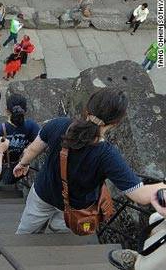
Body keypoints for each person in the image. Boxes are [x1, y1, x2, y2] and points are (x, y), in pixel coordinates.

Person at [13, 88, 166, 234]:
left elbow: (33, 149)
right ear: (115, 123)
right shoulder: (108, 156)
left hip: (44, 192)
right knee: (62, 229)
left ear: (87, 109)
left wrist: (23, 164)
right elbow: (140, 195)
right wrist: (162, 185)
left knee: (27, 230)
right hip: (77, 206)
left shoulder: (58, 124)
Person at [0, 94, 40, 185]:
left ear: (6, 111)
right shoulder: (32, 126)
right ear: (25, 111)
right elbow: (39, 143)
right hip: (20, 164)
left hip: (0, 164)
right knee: (14, 178)